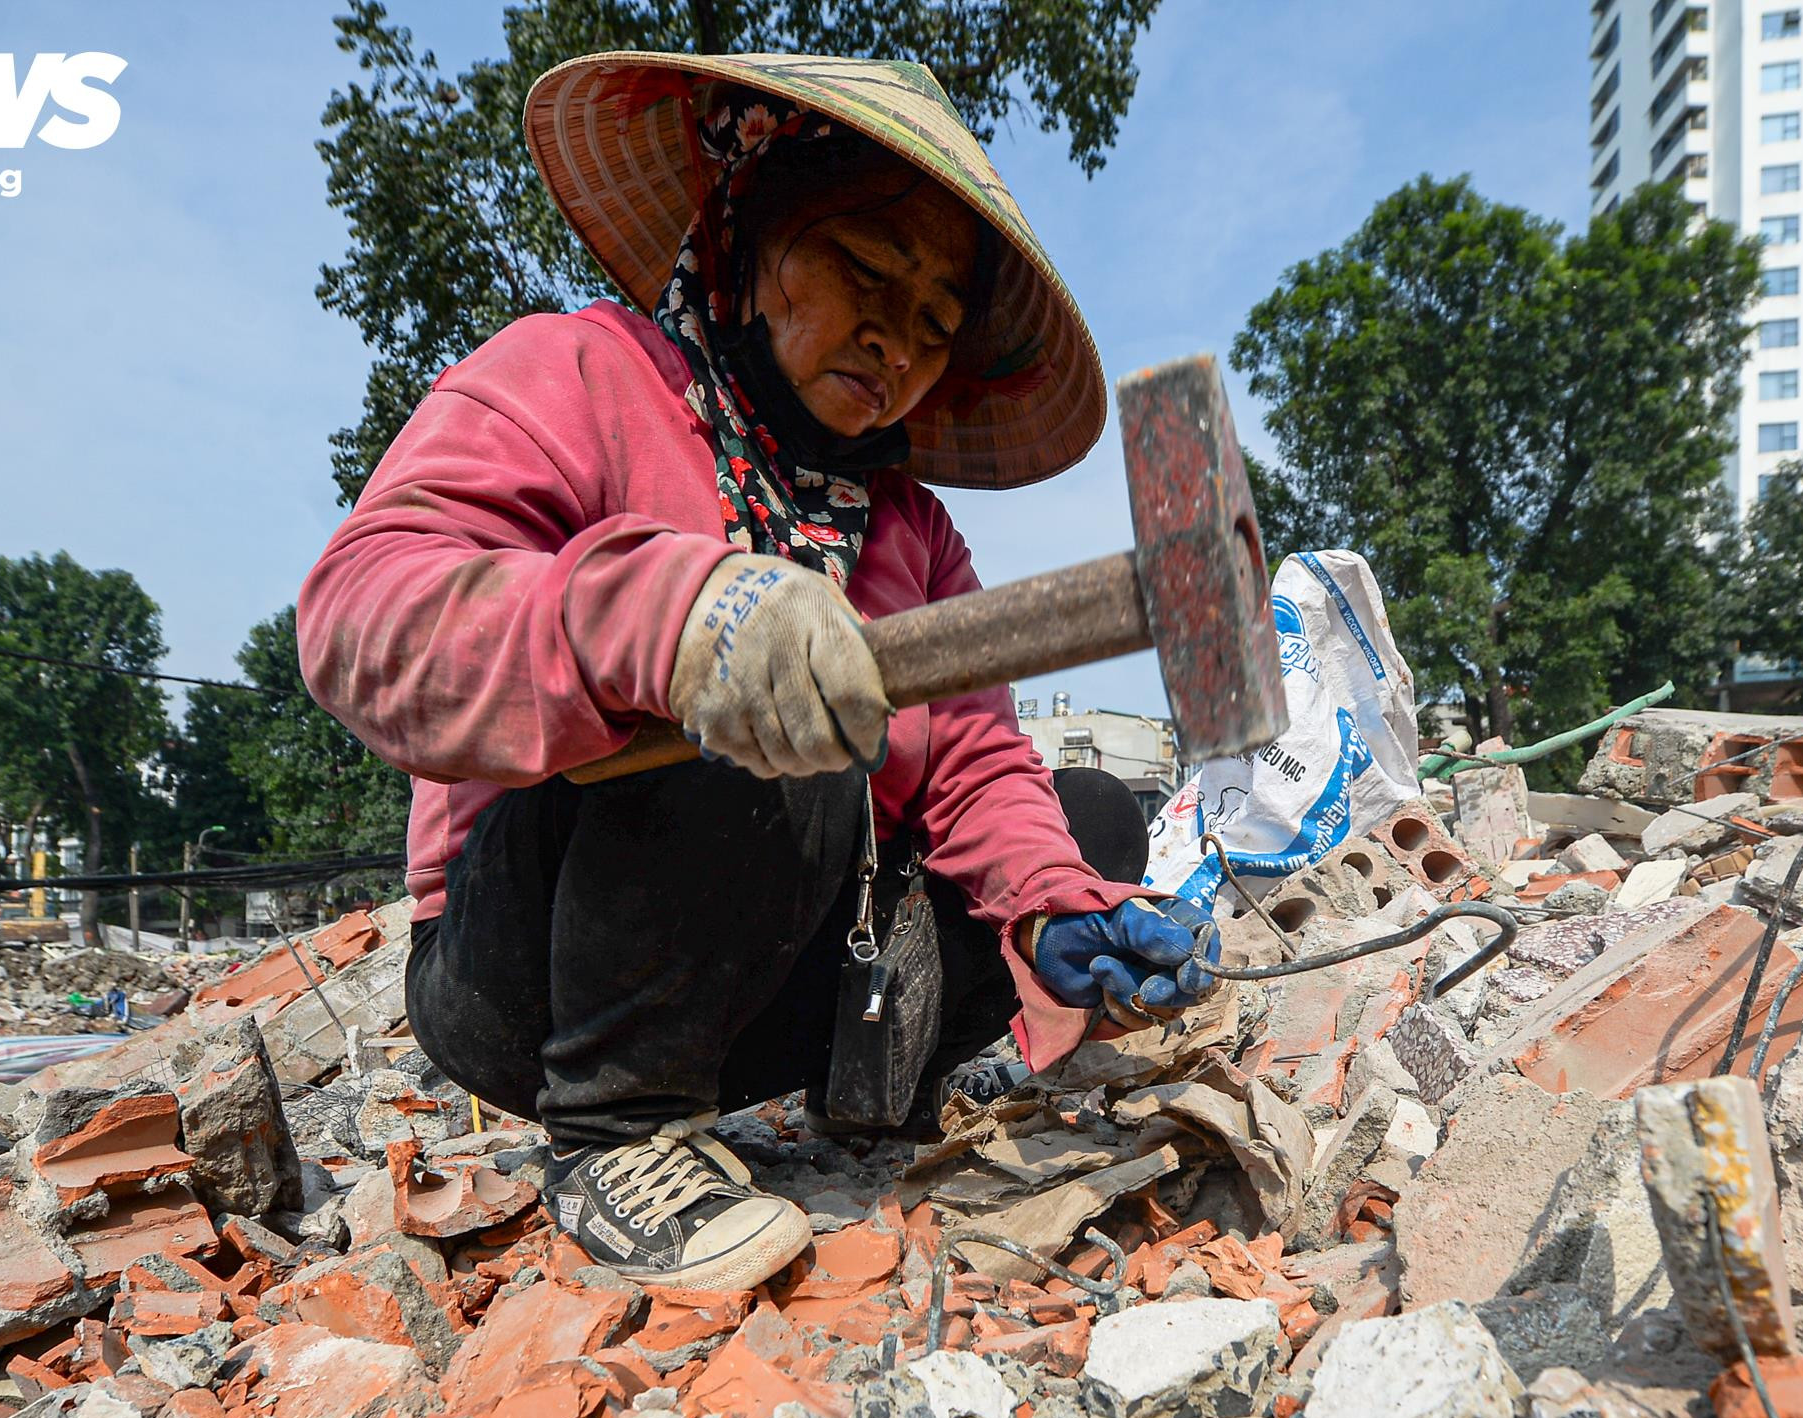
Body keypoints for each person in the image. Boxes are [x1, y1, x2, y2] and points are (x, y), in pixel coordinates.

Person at [299, 53, 1218, 1293]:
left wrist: (1054, 905)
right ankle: (618, 1135)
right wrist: (668, 613)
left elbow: (977, 767)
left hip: (776, 991)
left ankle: (872, 1088)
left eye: (938, 321)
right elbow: (362, 617)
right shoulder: (574, 375)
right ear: (746, 238)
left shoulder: (912, 533)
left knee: (1088, 813)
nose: (898, 335)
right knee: (779, 714)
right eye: (865, 268)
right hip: (534, 982)